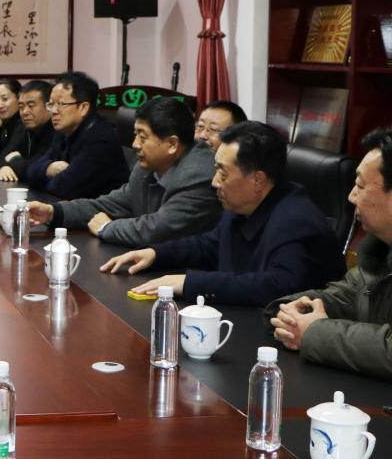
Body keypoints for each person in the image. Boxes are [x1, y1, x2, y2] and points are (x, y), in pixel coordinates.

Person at [101, 122, 344, 306]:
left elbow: (277, 286)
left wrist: (189, 283)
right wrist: (155, 254)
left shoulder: (296, 220)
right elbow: (209, 245)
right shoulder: (242, 204)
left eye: (223, 173)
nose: (215, 182)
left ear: (257, 179)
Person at [266, 126, 392, 379]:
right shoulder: (378, 254)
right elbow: (342, 297)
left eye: (360, 185)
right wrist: (291, 311)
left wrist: (315, 332)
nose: (351, 196)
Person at [28, 96, 220, 246]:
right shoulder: (146, 167)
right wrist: (53, 212)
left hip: (190, 276)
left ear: (172, 144)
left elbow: (157, 230)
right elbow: (109, 205)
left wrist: (106, 227)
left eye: (143, 137)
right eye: (135, 135)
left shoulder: (199, 175)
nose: (135, 144)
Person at [24, 72, 129, 199]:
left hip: (103, 210)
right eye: (51, 104)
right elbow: (31, 171)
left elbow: (62, 189)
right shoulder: (63, 131)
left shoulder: (100, 140)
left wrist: (41, 178)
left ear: (83, 108)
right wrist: (49, 168)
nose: (54, 111)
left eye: (61, 104)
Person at [0, 80, 55, 182]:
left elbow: (37, 170)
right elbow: (0, 158)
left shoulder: (57, 130)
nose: (25, 112)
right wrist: (2, 167)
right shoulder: (23, 128)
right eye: (21, 107)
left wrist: (14, 161)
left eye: (31, 106)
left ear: (49, 106)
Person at [0, 79, 23, 176]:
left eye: (5, 99)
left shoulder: (23, 123)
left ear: (19, 98)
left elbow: (3, 157)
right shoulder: (5, 122)